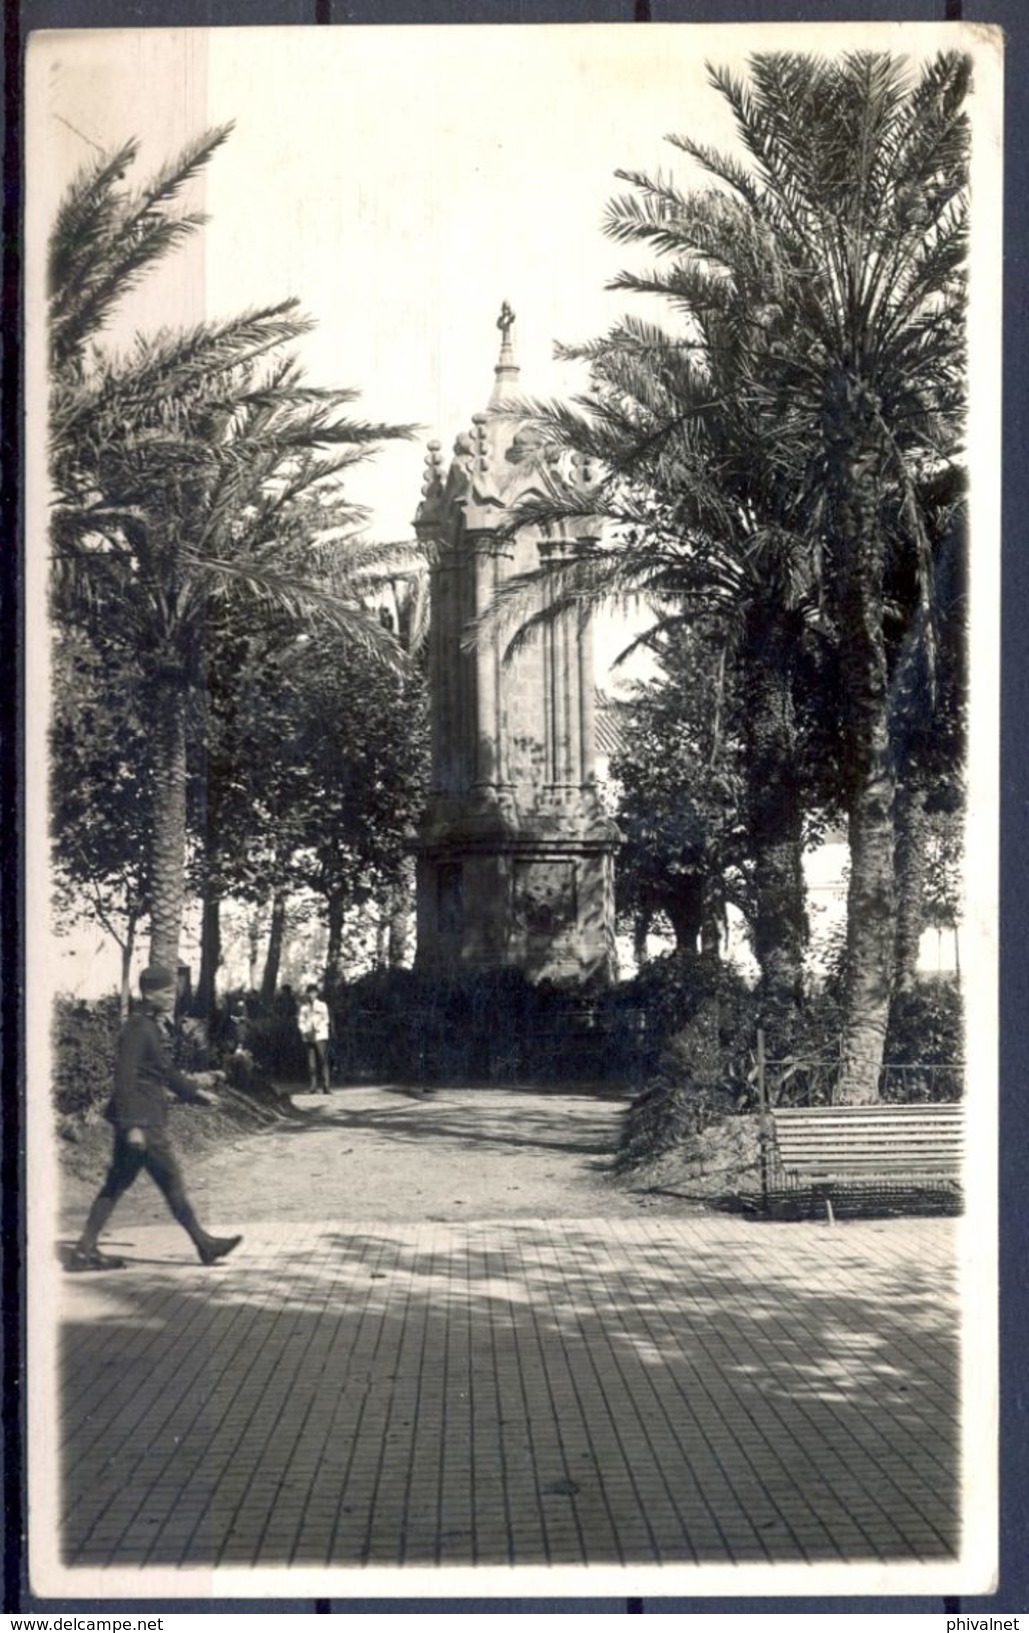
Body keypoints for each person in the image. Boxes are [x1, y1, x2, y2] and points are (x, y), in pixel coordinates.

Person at [67, 963, 243, 1272]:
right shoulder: (138, 1028)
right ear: (148, 993)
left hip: (141, 1120)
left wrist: (195, 1093)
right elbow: (124, 1077)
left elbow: (163, 1071)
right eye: (165, 991)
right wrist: (133, 1125)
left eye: (172, 990)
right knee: (171, 1182)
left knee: (116, 1184)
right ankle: (205, 1245)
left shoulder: (147, 1026)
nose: (171, 996)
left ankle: (84, 1250)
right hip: (144, 1123)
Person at [297, 984, 331, 1093]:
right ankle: (313, 1086)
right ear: (307, 994)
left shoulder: (322, 1005)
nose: (311, 995)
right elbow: (301, 1022)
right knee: (311, 1062)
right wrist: (305, 1031)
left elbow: (326, 1019)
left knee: (323, 1059)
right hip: (309, 1036)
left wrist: (317, 1029)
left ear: (317, 993)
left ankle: (326, 1085)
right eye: (309, 992)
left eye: (314, 992)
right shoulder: (304, 1008)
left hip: (320, 1035)